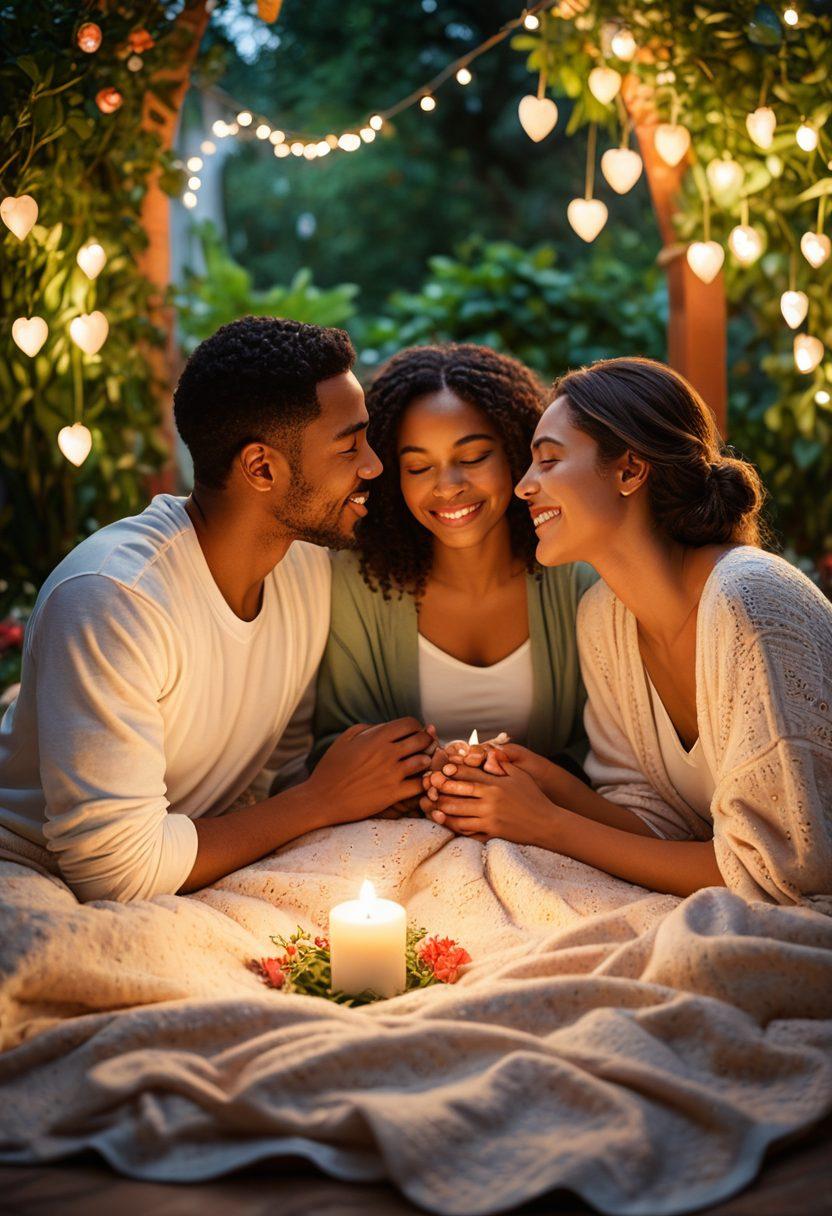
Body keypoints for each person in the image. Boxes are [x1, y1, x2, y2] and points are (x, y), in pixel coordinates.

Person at [0, 317, 433, 903]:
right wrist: (322, 799)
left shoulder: (305, 565)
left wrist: (376, 780)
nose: (374, 465)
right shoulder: (112, 599)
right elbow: (113, 873)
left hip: (190, 855)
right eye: (349, 444)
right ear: (261, 468)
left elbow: (275, 771)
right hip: (34, 866)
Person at [423, 356, 832, 910]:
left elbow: (780, 872)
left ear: (629, 471)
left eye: (548, 461)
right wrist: (540, 780)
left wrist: (546, 824)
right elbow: (658, 822)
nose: (523, 487)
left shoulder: (750, 603)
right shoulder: (604, 619)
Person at [312, 343, 597, 795]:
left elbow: (607, 747)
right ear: (392, 477)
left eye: (473, 458)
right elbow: (333, 744)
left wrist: (515, 778)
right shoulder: (357, 584)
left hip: (548, 834)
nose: (448, 486)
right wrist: (425, 772)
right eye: (419, 466)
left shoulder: (580, 579)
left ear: (516, 453)